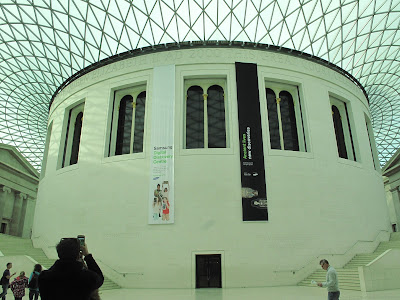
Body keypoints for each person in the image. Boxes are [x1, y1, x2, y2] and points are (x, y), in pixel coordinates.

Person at [38, 238, 104, 300]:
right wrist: (87, 255)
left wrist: (60, 262)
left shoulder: (44, 277)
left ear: (59, 253)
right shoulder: (87, 277)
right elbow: (99, 277)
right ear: (78, 255)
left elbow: (54, 270)